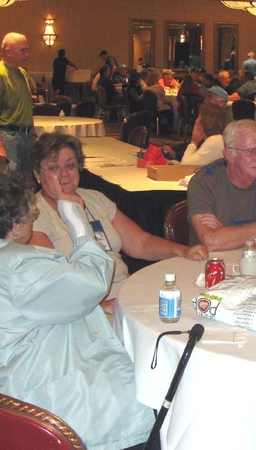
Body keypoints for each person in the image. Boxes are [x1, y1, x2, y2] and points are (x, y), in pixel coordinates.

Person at [0, 170, 154, 449]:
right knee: (150, 388)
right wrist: (75, 217)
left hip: (15, 376)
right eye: (29, 215)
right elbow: (93, 280)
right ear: (16, 222)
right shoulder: (17, 264)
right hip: (34, 388)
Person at [29, 133, 208, 317]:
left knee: (188, 307)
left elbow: (141, 243)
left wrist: (183, 251)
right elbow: (50, 285)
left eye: (70, 165)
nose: (64, 174)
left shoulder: (94, 198)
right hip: (83, 311)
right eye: (54, 168)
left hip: (125, 293)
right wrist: (98, 306)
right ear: (37, 175)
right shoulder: (34, 216)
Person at [187, 119, 256, 250]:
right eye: (251, 151)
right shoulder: (204, 182)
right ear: (229, 154)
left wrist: (228, 235)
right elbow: (211, 242)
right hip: (212, 264)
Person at [0, 32, 35, 174]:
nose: (27, 54)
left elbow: (26, 107)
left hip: (26, 136)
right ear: (8, 51)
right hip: (9, 136)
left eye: (27, 49)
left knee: (27, 180)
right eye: (23, 50)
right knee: (10, 183)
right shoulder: (1, 74)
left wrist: (33, 135)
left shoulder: (22, 73)